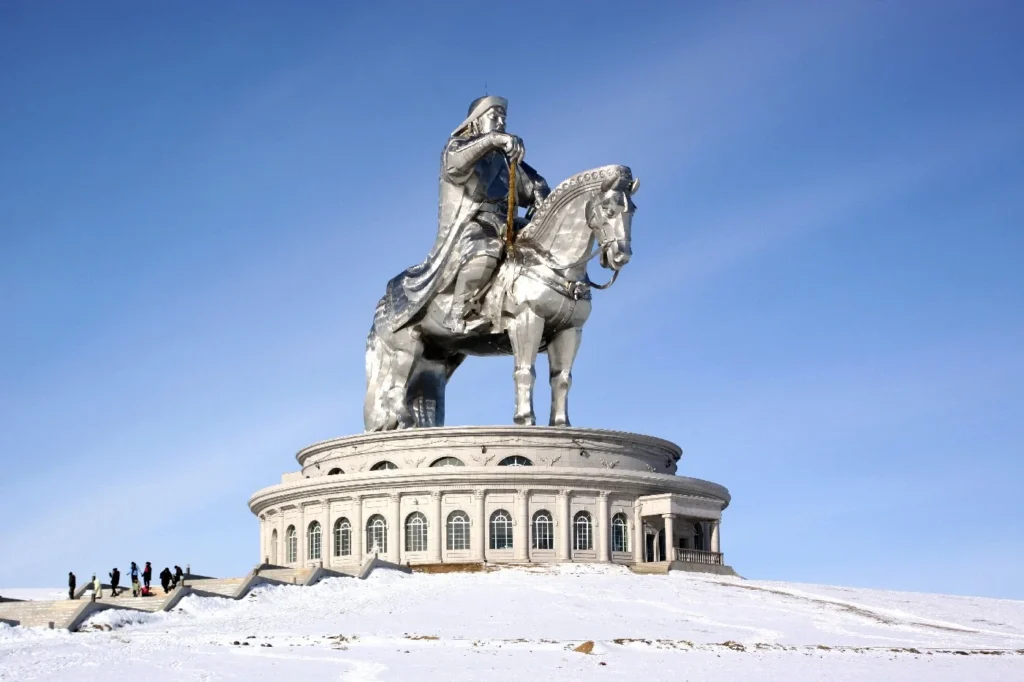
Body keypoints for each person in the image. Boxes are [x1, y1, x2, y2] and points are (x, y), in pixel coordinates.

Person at [383, 95, 550, 334]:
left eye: (503, 118)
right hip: (476, 223)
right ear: (477, 121)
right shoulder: (456, 148)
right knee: (485, 251)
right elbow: (456, 166)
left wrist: (541, 196)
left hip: (510, 223)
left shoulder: (505, 159)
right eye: (494, 117)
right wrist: (493, 139)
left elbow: (535, 183)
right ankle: (458, 312)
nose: (501, 122)